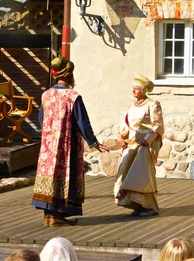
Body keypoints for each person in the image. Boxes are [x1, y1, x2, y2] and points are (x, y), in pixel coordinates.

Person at [31, 56, 108, 227]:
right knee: (65, 175)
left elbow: (41, 119)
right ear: (70, 75)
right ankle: (57, 216)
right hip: (67, 144)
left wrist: (49, 135)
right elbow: (82, 121)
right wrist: (93, 142)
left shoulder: (46, 95)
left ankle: (49, 215)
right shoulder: (72, 96)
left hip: (48, 146)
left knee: (49, 175)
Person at [114, 75, 164, 217]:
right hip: (131, 144)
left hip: (144, 146)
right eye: (133, 88)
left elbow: (157, 125)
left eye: (137, 89)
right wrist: (121, 136)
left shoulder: (153, 104)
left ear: (143, 90)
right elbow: (127, 123)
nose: (134, 91)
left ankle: (149, 206)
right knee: (126, 174)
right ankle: (135, 204)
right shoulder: (132, 106)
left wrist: (147, 140)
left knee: (141, 176)